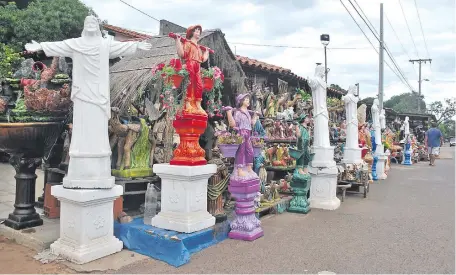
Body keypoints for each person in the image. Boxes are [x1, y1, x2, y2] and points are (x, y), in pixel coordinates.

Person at [24, 16, 151, 188]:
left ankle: (99, 164)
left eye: (93, 23)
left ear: (97, 27)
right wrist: (40, 46)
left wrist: (136, 46)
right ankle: (80, 163)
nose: (91, 25)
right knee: (82, 127)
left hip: (98, 93)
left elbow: (121, 46)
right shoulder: (76, 43)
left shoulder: (105, 44)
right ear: (85, 27)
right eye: (88, 23)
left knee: (98, 128)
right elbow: (59, 45)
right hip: (83, 92)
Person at [173, 25, 209, 115]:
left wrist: (207, 52)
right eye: (196, 31)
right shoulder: (188, 43)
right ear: (192, 33)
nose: (198, 33)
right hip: (190, 64)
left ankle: (198, 104)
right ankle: (188, 103)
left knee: (199, 85)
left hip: (197, 66)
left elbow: (203, 59)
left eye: (199, 31)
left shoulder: (198, 47)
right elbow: (182, 54)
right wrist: (177, 40)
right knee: (190, 83)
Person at [225, 94, 255, 178]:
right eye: (246, 99)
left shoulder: (248, 113)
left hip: (248, 133)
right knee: (241, 151)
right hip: (241, 132)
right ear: (241, 101)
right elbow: (233, 124)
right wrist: (229, 113)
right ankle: (240, 169)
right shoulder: (238, 112)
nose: (248, 101)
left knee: (250, 151)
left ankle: (249, 168)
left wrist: (256, 116)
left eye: (248, 99)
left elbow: (252, 123)